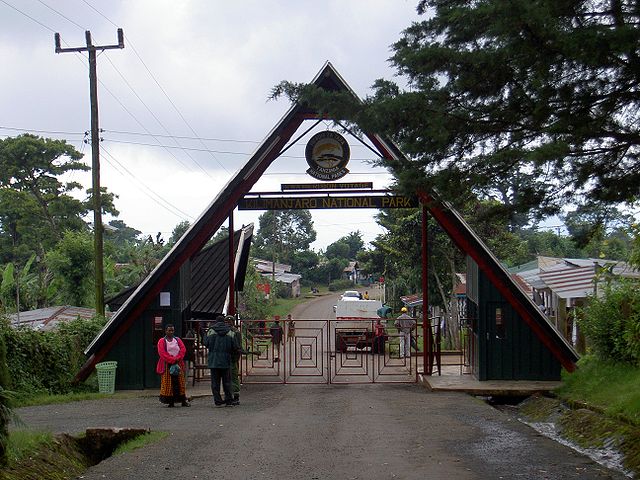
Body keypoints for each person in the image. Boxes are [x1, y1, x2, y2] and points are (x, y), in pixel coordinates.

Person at [204, 315, 238, 407]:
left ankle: (218, 401)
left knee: (215, 382)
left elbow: (206, 343)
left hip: (214, 360)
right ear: (224, 322)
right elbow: (235, 346)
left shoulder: (211, 331)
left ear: (216, 322)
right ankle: (228, 400)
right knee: (227, 382)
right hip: (226, 360)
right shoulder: (230, 331)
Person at [156, 324, 190, 408]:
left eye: (172, 330)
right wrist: (171, 360)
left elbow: (183, 349)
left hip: (178, 364)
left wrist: (177, 358)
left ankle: (183, 400)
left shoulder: (177, 340)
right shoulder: (162, 341)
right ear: (166, 331)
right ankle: (170, 401)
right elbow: (162, 353)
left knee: (180, 382)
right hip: (166, 364)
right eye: (169, 330)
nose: (171, 332)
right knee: (168, 383)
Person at [225, 315, 244, 404]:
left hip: (233, 358)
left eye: (229, 322)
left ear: (233, 322)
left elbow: (238, 346)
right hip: (226, 358)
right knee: (228, 377)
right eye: (226, 322)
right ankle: (229, 396)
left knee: (233, 377)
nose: (228, 323)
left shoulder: (236, 332)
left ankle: (236, 396)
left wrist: (236, 358)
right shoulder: (226, 331)